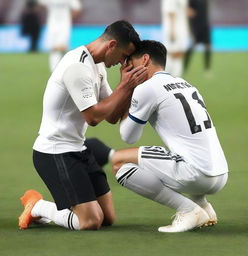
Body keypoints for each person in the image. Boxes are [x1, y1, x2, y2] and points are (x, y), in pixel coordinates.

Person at [18, 20, 148, 231]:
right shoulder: (77, 66)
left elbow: (112, 115)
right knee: (90, 222)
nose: (123, 63)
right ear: (112, 45)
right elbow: (93, 117)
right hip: (55, 151)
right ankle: (38, 206)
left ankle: (63, 207)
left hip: (78, 148)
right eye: (124, 56)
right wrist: (125, 86)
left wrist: (130, 86)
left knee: (107, 218)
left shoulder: (97, 65)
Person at [111, 40, 228, 233]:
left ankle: (188, 210)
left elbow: (128, 136)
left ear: (145, 60)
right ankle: (202, 204)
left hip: (196, 174)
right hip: (220, 174)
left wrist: (127, 87)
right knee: (180, 152)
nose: (127, 67)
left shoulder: (147, 88)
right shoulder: (186, 84)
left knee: (119, 164)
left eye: (130, 61)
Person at [38, 0, 83, 72]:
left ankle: (63, 66)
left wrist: (68, 18)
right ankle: (54, 69)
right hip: (52, 23)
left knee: (62, 46)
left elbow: (77, 8)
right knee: (53, 47)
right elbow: (40, 4)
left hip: (64, 24)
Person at [161, 0, 190, 77]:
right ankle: (167, 77)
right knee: (171, 54)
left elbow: (185, 11)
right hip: (174, 30)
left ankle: (175, 78)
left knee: (178, 55)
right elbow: (170, 13)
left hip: (181, 30)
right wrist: (172, 30)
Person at [184, 0, 212, 74]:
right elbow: (188, 11)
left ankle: (207, 69)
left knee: (208, 47)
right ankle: (185, 68)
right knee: (191, 47)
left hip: (205, 26)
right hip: (196, 27)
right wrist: (190, 27)